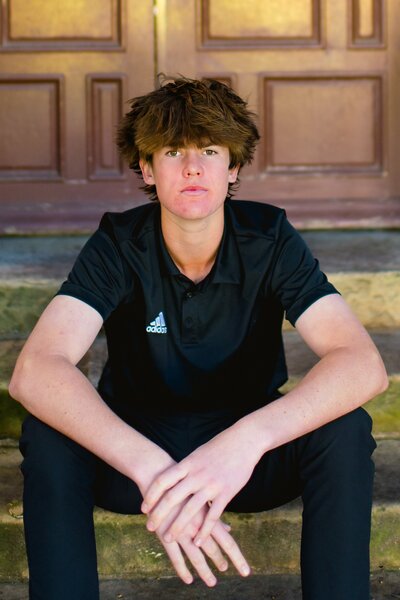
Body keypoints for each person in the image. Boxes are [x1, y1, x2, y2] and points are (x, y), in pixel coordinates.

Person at [10, 76, 388, 600]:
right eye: (172, 151)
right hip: (137, 457)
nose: (192, 167)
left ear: (232, 167)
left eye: (210, 150)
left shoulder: (270, 237)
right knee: (47, 433)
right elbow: (36, 371)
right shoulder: (118, 244)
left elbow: (360, 365)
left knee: (345, 428)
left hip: (244, 462)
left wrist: (246, 441)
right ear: (146, 168)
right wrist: (154, 471)